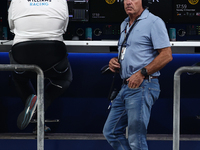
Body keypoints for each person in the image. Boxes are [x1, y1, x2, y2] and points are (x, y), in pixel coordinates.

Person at [103, 0, 173, 149]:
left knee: (136, 139)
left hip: (143, 85)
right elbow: (129, 52)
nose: (128, 2)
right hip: (125, 85)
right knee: (111, 132)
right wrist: (115, 62)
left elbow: (166, 55)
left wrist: (142, 73)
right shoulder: (124, 24)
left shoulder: (153, 22)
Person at [8, 0, 72, 132]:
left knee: (19, 78)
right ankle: (40, 105)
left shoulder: (16, 1)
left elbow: (12, 27)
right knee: (64, 78)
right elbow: (64, 27)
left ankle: (33, 107)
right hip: (53, 59)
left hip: (22, 56)